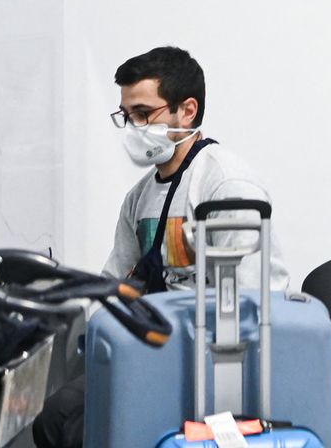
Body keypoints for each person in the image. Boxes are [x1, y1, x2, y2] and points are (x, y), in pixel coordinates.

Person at [33, 46, 288, 448]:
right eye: (126, 115)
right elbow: (113, 282)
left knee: (86, 428)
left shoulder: (225, 187)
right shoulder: (139, 199)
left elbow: (255, 303)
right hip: (157, 351)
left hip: (205, 364)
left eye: (143, 114)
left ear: (187, 110)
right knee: (55, 416)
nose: (133, 126)